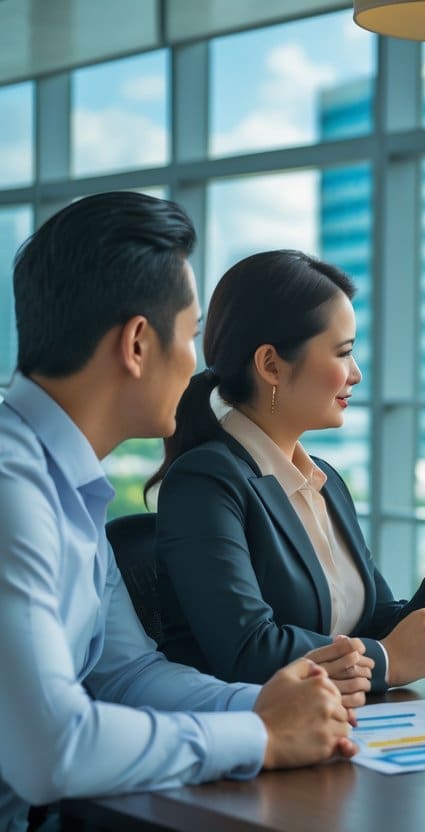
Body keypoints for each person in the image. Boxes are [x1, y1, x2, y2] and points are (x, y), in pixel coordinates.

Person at [0, 193, 354, 832]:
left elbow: (126, 674)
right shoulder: (11, 491)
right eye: (191, 336)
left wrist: (268, 706)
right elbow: (50, 752)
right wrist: (260, 739)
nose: (200, 363)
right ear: (138, 343)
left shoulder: (65, 484)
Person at [148, 250, 425, 704]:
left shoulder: (325, 481)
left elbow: (381, 626)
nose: (356, 374)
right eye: (343, 352)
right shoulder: (206, 481)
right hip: (250, 743)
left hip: (342, 731)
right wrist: (387, 661)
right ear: (271, 366)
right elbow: (245, 650)